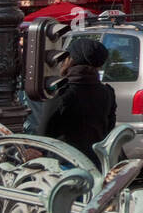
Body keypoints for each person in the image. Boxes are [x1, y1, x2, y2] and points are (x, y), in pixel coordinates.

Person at [43, 37, 117, 165]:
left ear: (70, 60)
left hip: (63, 163)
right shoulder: (107, 92)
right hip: (96, 164)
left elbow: (45, 131)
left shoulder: (63, 92)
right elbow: (109, 127)